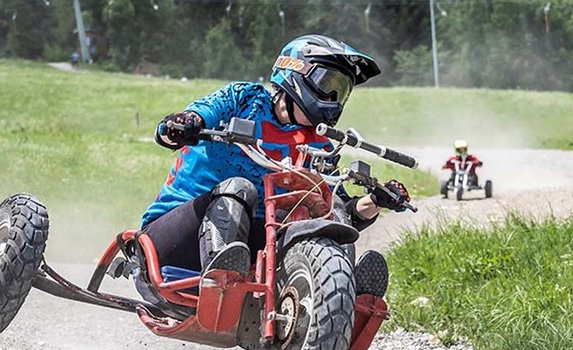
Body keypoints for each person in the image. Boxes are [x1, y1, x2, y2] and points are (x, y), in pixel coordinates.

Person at [140, 34, 411, 279]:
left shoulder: (319, 145)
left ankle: (344, 285)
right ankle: (221, 278)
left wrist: (375, 201)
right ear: (295, 71)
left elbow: (334, 207)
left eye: (341, 92)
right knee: (240, 188)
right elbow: (187, 120)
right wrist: (184, 124)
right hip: (175, 237)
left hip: (253, 246)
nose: (333, 98)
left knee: (324, 208)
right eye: (327, 84)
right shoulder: (242, 99)